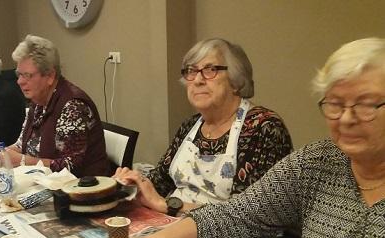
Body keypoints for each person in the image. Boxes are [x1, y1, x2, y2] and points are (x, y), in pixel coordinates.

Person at [91, 38, 385, 238]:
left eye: (366, 104)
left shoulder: (262, 126)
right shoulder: (317, 162)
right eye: (335, 104)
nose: (346, 118)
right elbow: (238, 215)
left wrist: (168, 207)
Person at [114, 38, 292, 216]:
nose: (198, 80)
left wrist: (167, 205)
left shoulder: (263, 127)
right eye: (191, 71)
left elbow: (248, 216)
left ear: (236, 80)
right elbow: (160, 181)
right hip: (174, 225)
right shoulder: (191, 125)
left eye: (210, 70)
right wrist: (135, 183)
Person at [0, 34, 109, 177]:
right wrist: (1, 150)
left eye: (27, 75)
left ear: (50, 76)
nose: (19, 82)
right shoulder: (38, 101)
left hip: (82, 189)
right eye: (19, 74)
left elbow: (70, 167)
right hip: (44, 182)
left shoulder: (73, 106)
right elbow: (22, 146)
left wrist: (23, 161)